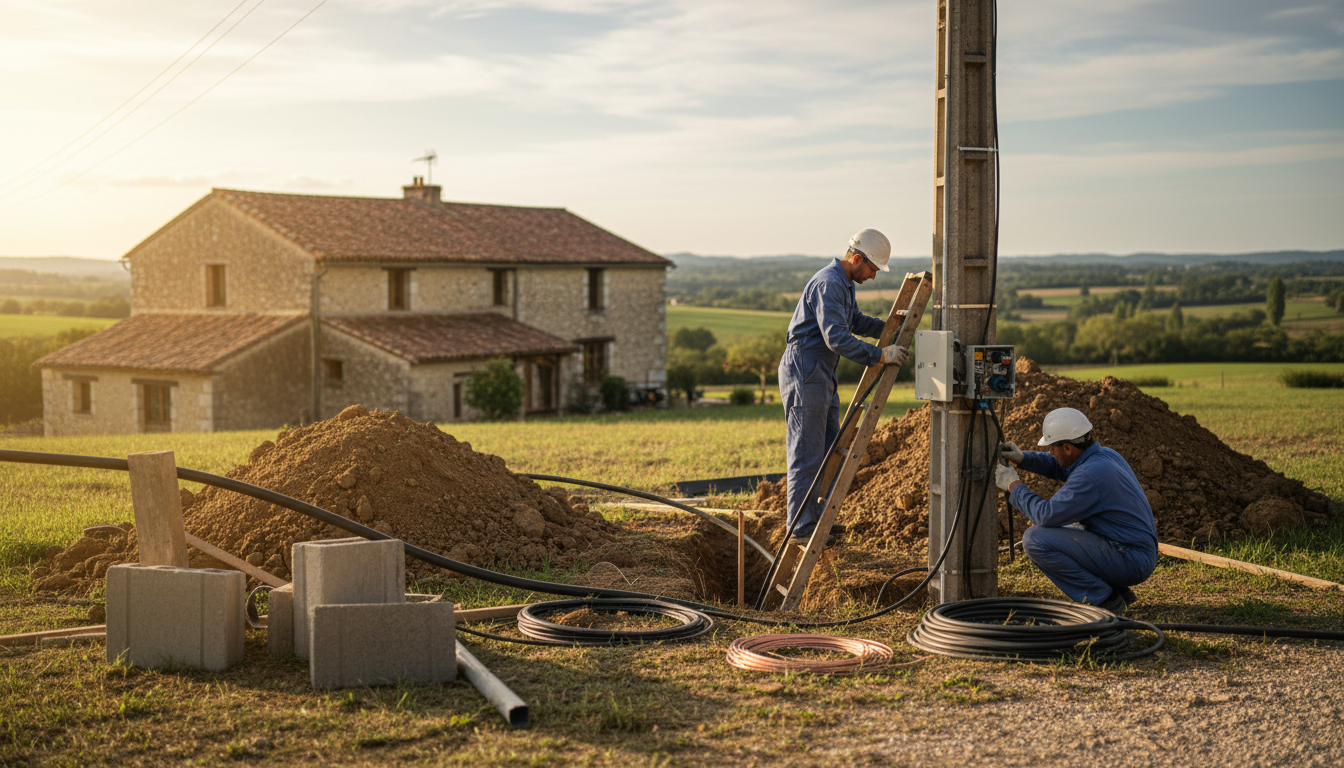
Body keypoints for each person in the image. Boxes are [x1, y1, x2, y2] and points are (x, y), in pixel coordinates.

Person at [778, 228, 909, 547]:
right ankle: (800, 528)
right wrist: (879, 355)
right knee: (806, 451)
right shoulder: (828, 283)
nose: (873, 276)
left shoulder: (843, 283)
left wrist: (889, 330)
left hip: (820, 370)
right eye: (873, 269)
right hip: (806, 368)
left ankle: (814, 517)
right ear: (857, 258)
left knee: (825, 447)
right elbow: (836, 337)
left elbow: (854, 322)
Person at [995, 407, 1158, 614]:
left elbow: (1046, 515)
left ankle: (1104, 599)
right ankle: (1116, 590)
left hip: (1131, 559)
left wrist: (1013, 485)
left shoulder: (1090, 475)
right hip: (1134, 551)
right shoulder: (1104, 456)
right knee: (1065, 527)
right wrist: (1023, 459)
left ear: (1068, 448)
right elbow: (1060, 466)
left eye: (1052, 448)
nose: (1050, 452)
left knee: (1035, 539)